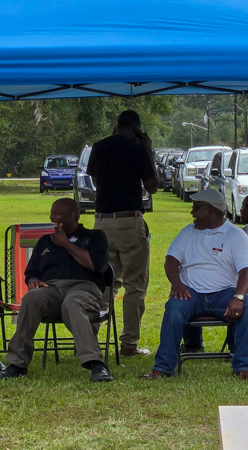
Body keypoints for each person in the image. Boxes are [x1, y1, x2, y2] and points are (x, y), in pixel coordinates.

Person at [140, 189, 248, 380]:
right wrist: (176, 283)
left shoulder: (236, 235)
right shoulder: (188, 232)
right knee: (174, 307)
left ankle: (243, 367)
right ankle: (163, 368)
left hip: (223, 294)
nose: (192, 212)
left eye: (196, 207)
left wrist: (238, 297)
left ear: (211, 210)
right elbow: (171, 260)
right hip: (190, 293)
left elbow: (247, 270)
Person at [0, 198, 113, 382]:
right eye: (51, 212)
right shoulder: (45, 241)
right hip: (51, 290)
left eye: (56, 213)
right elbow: (31, 272)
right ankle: (17, 364)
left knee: (72, 304)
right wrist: (33, 280)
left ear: (73, 215)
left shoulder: (95, 237)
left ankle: (96, 364)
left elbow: (95, 265)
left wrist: (65, 243)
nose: (51, 217)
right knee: (31, 298)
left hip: (84, 287)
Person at [87, 110, 158, 357]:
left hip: (102, 222)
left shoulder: (99, 146)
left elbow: (95, 182)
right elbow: (152, 186)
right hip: (129, 221)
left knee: (106, 282)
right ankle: (128, 343)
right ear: (137, 129)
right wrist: (148, 150)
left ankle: (91, 337)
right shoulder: (138, 148)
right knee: (134, 284)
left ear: (116, 126)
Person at [180, 192, 248, 352]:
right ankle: (193, 344)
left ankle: (235, 348)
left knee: (241, 293)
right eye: (243, 206)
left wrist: (228, 278)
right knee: (196, 286)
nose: (242, 210)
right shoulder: (243, 232)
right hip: (243, 279)